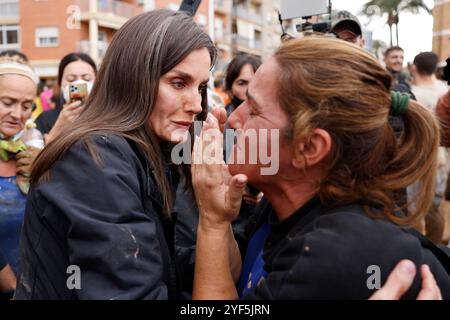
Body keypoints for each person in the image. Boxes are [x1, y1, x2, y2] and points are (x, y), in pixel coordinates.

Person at [191, 36, 450, 299]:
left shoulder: (330, 256)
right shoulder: (284, 204)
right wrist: (219, 219)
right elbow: (238, 276)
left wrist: (211, 222)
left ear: (310, 148)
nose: (234, 119)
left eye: (255, 110)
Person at [14, 9, 216, 300]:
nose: (197, 103)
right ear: (133, 77)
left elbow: (159, 260)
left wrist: (217, 220)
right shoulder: (94, 157)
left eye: (201, 87)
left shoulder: (138, 151)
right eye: (178, 83)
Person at [0, 59, 41, 299]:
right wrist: (11, 286)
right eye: (7, 103)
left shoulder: (32, 148)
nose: (18, 114)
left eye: (27, 105)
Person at [35, 52, 97, 142]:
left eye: (86, 79)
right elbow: (34, 153)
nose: (79, 83)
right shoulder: (45, 119)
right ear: (60, 84)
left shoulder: (109, 117)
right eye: (71, 79)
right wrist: (58, 127)